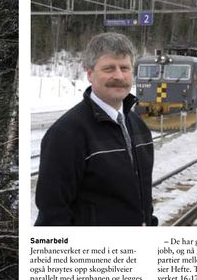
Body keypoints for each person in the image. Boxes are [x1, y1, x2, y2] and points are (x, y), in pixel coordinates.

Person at [35, 32, 156, 226]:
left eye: (125, 68)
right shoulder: (67, 133)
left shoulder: (139, 127)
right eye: (109, 68)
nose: (119, 75)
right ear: (89, 73)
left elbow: (143, 195)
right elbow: (53, 213)